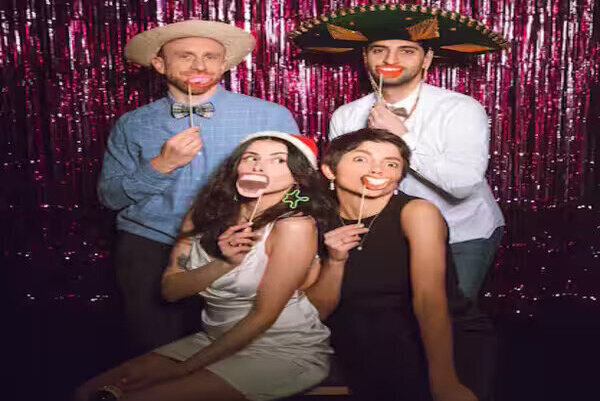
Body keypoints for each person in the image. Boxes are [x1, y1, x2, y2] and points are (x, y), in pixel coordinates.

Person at [77, 132, 335, 401]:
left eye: (278, 160)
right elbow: (171, 290)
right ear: (236, 166)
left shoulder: (294, 226)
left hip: (280, 348)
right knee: (88, 393)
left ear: (298, 176)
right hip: (214, 338)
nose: (260, 166)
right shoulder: (205, 214)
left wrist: (186, 369)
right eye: (251, 157)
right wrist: (224, 263)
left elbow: (264, 315)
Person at [98, 20, 300, 354]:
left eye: (210, 56)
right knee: (156, 352)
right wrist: (161, 165)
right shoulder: (133, 123)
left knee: (236, 353)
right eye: (185, 56)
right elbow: (110, 197)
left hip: (241, 246)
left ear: (224, 64)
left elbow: (300, 188)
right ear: (160, 64)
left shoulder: (270, 116)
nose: (199, 65)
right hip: (152, 246)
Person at [289, 4, 507, 302]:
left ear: (427, 59)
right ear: (365, 57)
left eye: (406, 50)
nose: (390, 59)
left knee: (447, 317)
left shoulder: (460, 109)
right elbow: (341, 184)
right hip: (383, 234)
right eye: (378, 50)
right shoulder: (346, 115)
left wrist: (402, 137)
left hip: (461, 233)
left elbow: (463, 184)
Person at [306, 128, 497, 401]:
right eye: (361, 159)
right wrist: (335, 263)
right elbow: (313, 311)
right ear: (329, 170)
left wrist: (443, 380)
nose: (378, 169)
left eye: (391, 163)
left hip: (434, 342)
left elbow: (429, 299)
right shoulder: (315, 217)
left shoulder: (418, 213)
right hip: (358, 344)